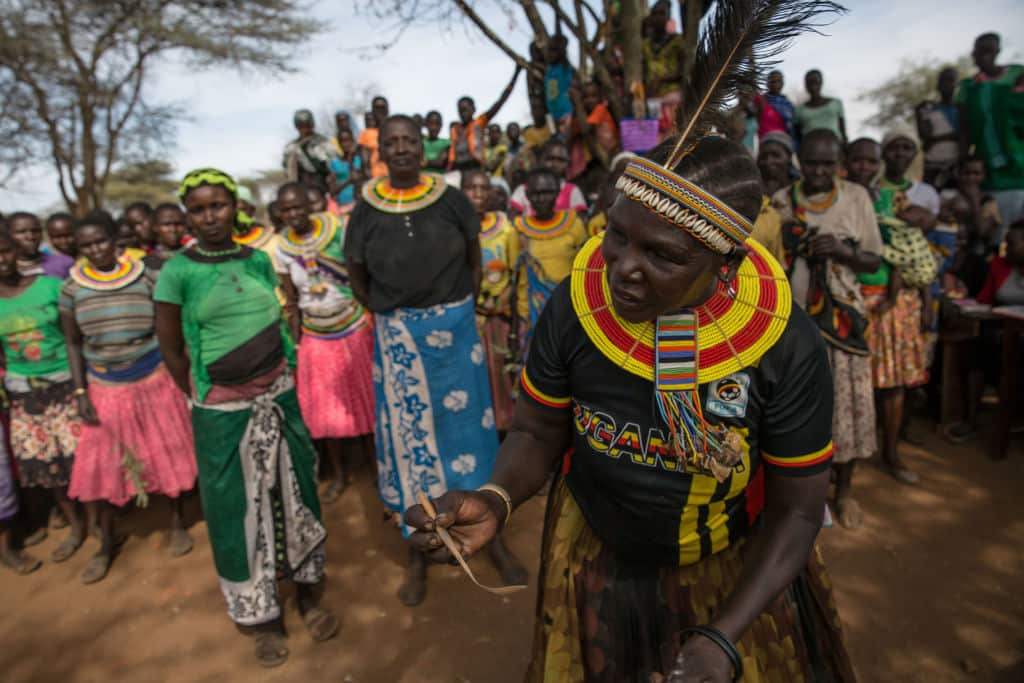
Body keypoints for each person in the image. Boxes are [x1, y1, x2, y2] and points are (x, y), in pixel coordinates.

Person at [404, 133, 854, 682]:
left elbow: (799, 510)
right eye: (617, 234)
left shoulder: (787, 345)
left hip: (731, 575)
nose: (622, 267)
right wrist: (495, 498)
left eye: (663, 255)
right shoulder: (576, 303)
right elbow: (538, 431)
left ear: (726, 264)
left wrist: (723, 637)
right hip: (597, 552)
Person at [154, 168, 336, 666]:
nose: (208, 216)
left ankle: (309, 595)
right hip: (222, 413)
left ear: (235, 207)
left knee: (296, 497)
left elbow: (281, 317)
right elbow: (171, 349)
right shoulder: (178, 272)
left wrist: (282, 377)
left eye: (218, 205)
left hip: (279, 398)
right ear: (188, 215)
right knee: (239, 512)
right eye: (198, 209)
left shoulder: (259, 261)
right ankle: (263, 619)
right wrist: (207, 400)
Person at [345, 115, 526, 607]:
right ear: (381, 149)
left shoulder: (450, 200)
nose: (401, 148)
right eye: (392, 141)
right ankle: (418, 553)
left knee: (471, 433)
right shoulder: (365, 208)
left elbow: (472, 256)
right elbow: (355, 271)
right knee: (410, 442)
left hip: (457, 336)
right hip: (399, 337)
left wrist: (453, 310)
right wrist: (389, 313)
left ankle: (494, 536)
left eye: (409, 140)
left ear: (422, 147)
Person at [60, 212, 197, 584]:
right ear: (79, 248)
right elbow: (73, 342)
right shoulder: (71, 289)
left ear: (114, 241)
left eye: (100, 241)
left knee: (167, 450)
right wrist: (79, 390)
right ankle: (106, 542)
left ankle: (176, 522)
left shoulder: (145, 275)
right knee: (102, 465)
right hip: (105, 384)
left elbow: (167, 325)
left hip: (153, 375)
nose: (95, 249)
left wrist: (179, 370)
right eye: (86, 245)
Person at [774, 129, 883, 530]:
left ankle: (845, 491)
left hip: (842, 320)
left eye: (827, 163)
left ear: (838, 162)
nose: (819, 171)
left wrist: (841, 250)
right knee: (798, 410)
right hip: (792, 321)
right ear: (800, 160)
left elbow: (873, 260)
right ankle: (806, 496)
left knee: (845, 407)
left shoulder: (856, 197)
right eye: (812, 162)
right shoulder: (783, 200)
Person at [274, 183, 374, 503]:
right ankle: (340, 475)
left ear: (311, 205)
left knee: (367, 403)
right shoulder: (282, 248)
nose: (294, 214)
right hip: (316, 334)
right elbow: (291, 300)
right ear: (280, 213)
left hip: (354, 325)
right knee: (325, 412)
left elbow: (359, 274)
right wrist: (297, 343)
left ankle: (376, 468)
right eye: (287, 210)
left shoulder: (337, 231)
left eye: (298, 207)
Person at [0, 230, 86, 565]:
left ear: (17, 250)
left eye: (5, 250)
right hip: (24, 393)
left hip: (66, 383)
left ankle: (99, 524)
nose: (2, 259)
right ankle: (76, 527)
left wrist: (81, 387)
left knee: (81, 458)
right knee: (48, 465)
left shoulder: (51, 287)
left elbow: (73, 338)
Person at [462, 169, 519, 434]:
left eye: (484, 189)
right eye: (472, 188)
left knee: (500, 375)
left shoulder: (505, 228)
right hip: (468, 316)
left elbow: (516, 275)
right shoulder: (456, 227)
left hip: (498, 316)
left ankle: (505, 429)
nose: (478, 194)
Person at [958, 32, 1024, 228]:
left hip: (1019, 162)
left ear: (998, 51)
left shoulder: (1017, 74)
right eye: (979, 51)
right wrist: (963, 161)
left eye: (989, 50)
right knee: (993, 227)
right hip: (988, 170)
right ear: (973, 54)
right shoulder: (968, 87)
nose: (984, 56)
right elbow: (964, 127)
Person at [514, 167, 588, 339]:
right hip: (534, 311)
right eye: (535, 193)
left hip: (569, 307)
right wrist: (523, 314)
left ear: (557, 193)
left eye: (547, 192)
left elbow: (584, 268)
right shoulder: (518, 229)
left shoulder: (574, 224)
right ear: (527, 195)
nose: (541, 199)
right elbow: (519, 277)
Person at [448, 67, 522, 172]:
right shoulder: (455, 129)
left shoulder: (479, 123)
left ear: (473, 109)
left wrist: (515, 75)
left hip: (475, 168)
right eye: (460, 110)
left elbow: (500, 102)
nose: (462, 113)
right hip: (457, 169)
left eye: (465, 110)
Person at [957, 155, 1003, 295]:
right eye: (967, 173)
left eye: (976, 173)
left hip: (977, 261)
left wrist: (974, 200)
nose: (971, 178)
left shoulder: (988, 201)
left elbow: (982, 231)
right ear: (958, 174)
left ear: (983, 176)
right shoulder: (948, 196)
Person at [509, 139, 588, 216]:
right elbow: (511, 222)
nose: (555, 164)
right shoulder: (523, 190)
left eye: (561, 160)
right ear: (540, 159)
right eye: (550, 159)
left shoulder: (572, 191)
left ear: (567, 164)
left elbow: (581, 224)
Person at [567, 81, 620, 190]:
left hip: (610, 151)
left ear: (600, 97)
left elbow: (586, 129)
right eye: (586, 97)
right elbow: (573, 131)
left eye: (593, 96)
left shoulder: (600, 109)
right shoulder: (586, 115)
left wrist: (577, 103)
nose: (590, 100)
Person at [643, 0, 685, 137]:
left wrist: (662, 79)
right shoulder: (645, 45)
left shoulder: (678, 41)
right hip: (652, 100)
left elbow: (683, 71)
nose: (658, 17)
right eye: (655, 13)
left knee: (673, 138)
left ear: (668, 17)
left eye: (662, 13)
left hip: (672, 100)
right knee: (655, 140)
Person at [916, 67, 961, 188]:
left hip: (956, 163)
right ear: (938, 85)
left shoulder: (962, 109)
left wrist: (936, 139)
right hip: (932, 162)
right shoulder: (928, 110)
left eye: (952, 80)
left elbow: (964, 135)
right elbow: (925, 136)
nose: (948, 84)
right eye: (944, 81)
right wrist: (918, 114)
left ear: (958, 84)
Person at [282, 109, 339, 195]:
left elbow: (334, 166)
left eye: (306, 125)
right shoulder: (291, 147)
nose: (304, 129)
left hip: (323, 186)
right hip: (301, 188)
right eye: (301, 126)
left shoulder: (324, 143)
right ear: (297, 127)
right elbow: (287, 170)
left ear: (312, 125)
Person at [7, 212, 74, 279]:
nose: (30, 237)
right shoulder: (5, 269)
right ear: (8, 234)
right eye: (21, 232)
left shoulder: (65, 263)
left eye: (35, 231)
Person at [586, 151, 636, 237]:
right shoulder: (607, 189)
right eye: (622, 169)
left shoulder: (637, 194)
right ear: (613, 173)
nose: (625, 174)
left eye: (630, 171)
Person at [794, 69, 846, 145]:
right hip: (809, 149)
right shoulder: (799, 109)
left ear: (821, 83)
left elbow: (842, 129)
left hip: (835, 147)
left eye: (816, 82)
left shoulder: (836, 103)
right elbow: (797, 134)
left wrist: (845, 144)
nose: (813, 86)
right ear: (806, 85)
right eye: (809, 83)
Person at [978, 219, 1024, 305]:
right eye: (1005, 242)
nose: (1005, 248)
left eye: (1011, 243)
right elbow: (984, 301)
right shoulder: (999, 264)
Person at [328, 127, 365, 214]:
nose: (345, 144)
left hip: (360, 203)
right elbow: (332, 191)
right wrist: (349, 181)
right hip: (343, 206)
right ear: (339, 143)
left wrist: (351, 158)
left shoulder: (360, 160)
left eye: (348, 140)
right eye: (342, 141)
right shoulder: (335, 164)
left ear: (353, 140)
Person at [143, 203, 188, 271]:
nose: (173, 229)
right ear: (155, 227)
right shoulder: (145, 264)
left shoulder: (197, 257)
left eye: (178, 224)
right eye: (167, 224)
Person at [754, 70, 796, 141]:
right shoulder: (760, 100)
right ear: (767, 84)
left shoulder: (787, 104)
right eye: (773, 82)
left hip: (784, 140)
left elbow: (793, 126)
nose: (776, 84)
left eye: (779, 81)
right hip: (765, 140)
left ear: (782, 83)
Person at [544, 34, 575, 126]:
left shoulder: (564, 66)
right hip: (554, 116)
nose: (550, 54)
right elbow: (551, 94)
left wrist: (558, 19)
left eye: (554, 51)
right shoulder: (550, 70)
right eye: (549, 50)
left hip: (566, 113)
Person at [755, 131, 796, 198]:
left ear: (789, 157)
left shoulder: (799, 189)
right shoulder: (752, 189)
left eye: (775, 155)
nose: (768, 162)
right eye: (763, 156)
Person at [359, 96, 389, 179]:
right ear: (373, 110)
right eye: (377, 108)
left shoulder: (394, 129)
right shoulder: (365, 134)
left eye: (383, 107)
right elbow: (365, 163)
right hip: (375, 179)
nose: (380, 111)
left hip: (396, 177)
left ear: (387, 110)